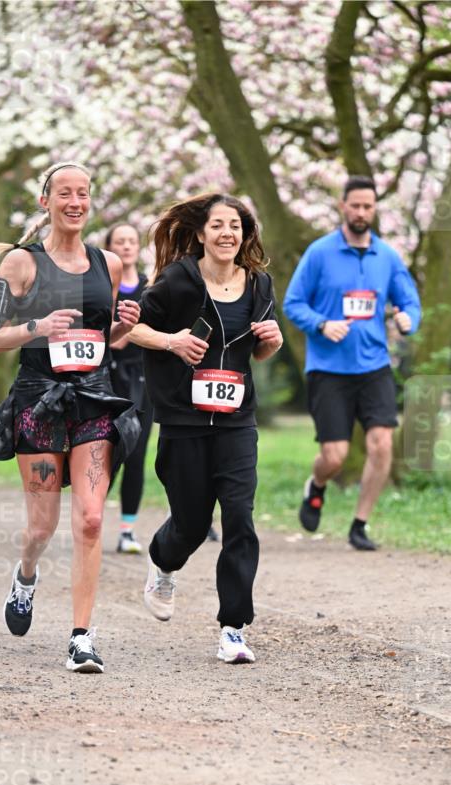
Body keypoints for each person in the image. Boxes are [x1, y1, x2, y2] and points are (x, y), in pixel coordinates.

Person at [0, 162, 141, 674]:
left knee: (92, 520)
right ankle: (26, 575)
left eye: (84, 194)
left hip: (94, 398)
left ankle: (81, 638)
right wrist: (37, 324)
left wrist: (122, 328)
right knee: (42, 524)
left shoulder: (108, 264)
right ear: (45, 201)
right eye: (64, 193)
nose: (75, 202)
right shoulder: (17, 264)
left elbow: (103, 341)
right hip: (38, 401)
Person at [129, 192, 283, 664]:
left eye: (234, 225)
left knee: (239, 517)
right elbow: (132, 328)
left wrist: (272, 341)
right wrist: (172, 341)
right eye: (217, 225)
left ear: (245, 233)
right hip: (184, 420)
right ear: (200, 233)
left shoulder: (259, 285)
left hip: (237, 421)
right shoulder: (178, 280)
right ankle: (163, 561)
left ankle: (234, 627)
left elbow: (257, 349)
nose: (226, 233)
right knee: (192, 524)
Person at [283, 175, 421, 551]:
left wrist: (409, 319)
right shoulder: (319, 253)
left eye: (368, 206)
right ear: (343, 207)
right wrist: (322, 324)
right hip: (328, 369)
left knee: (381, 446)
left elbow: (410, 302)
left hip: (374, 365)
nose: (362, 212)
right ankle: (317, 485)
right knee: (335, 456)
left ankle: (360, 523)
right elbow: (293, 303)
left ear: (375, 209)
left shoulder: (387, 257)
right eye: (355, 205)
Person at [104, 223, 152, 554]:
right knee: (106, 456)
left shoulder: (152, 287)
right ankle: (87, 521)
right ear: (109, 247)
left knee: (136, 455)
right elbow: (106, 337)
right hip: (108, 380)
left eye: (132, 241)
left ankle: (127, 531)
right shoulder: (101, 285)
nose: (126, 246)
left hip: (144, 381)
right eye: (119, 241)